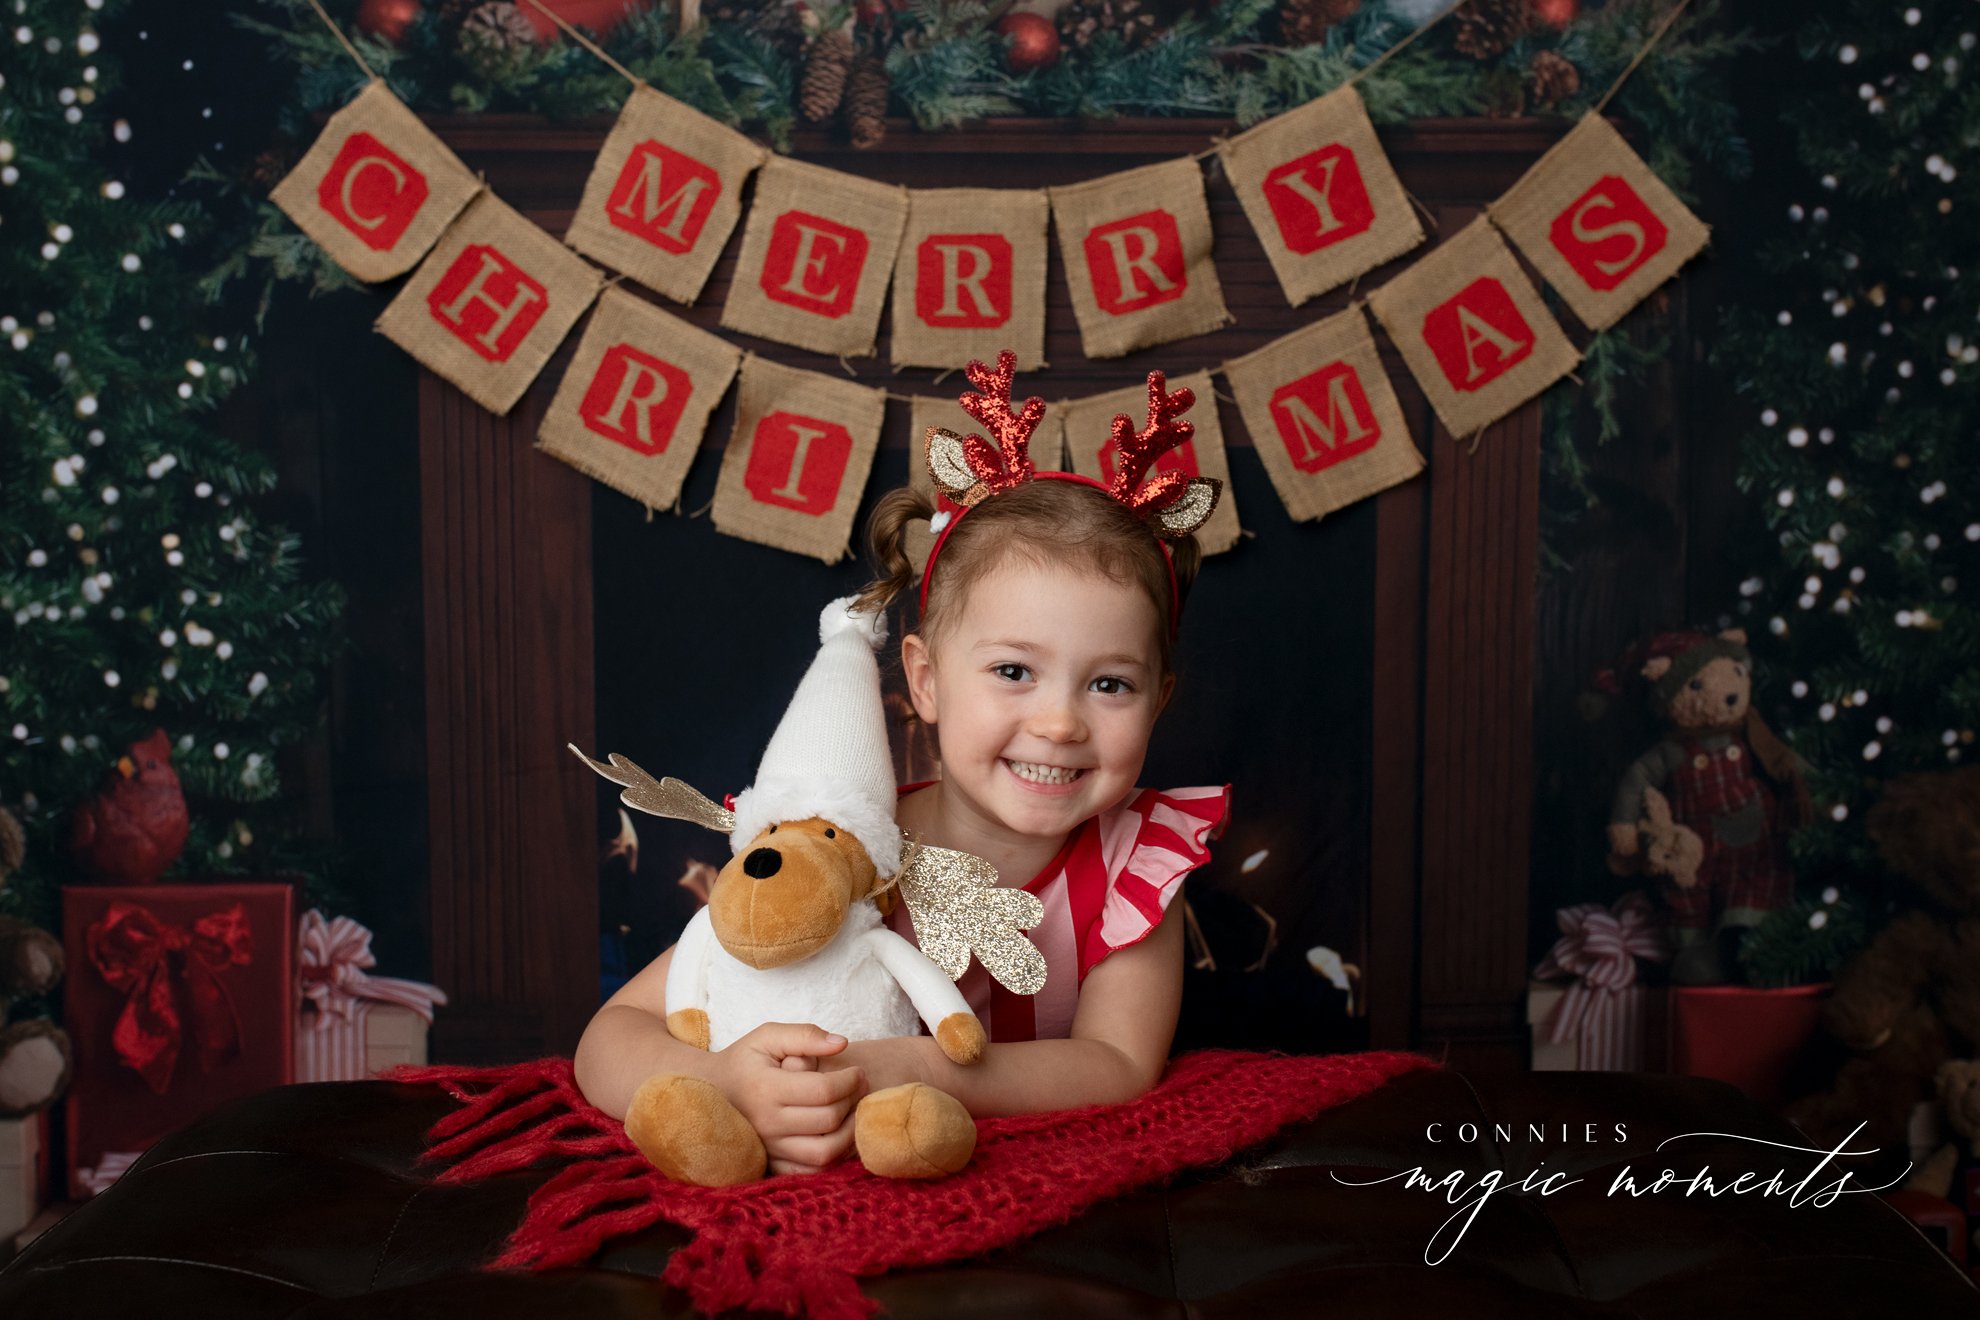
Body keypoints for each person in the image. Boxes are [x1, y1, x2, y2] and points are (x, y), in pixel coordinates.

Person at [574, 353, 1231, 1175]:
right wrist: (728, 1080)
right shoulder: (844, 850)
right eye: (1013, 671)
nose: (1060, 723)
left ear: (1158, 701)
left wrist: (919, 1068)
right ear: (925, 681)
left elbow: (1118, 1063)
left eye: (1110, 684)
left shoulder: (1137, 863)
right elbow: (608, 1039)